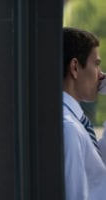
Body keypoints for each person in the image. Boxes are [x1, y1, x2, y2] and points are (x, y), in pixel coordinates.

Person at [63, 27, 106, 199]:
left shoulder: (75, 121)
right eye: (96, 64)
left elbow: (100, 165)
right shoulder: (69, 128)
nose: (101, 74)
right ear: (75, 67)